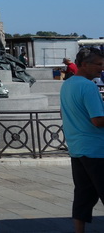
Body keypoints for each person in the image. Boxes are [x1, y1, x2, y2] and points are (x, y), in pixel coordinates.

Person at [59, 47, 104, 233]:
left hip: (77, 148)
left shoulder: (67, 84)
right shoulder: (88, 86)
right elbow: (98, 121)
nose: (101, 69)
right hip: (97, 150)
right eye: (99, 64)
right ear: (85, 65)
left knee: (83, 195)